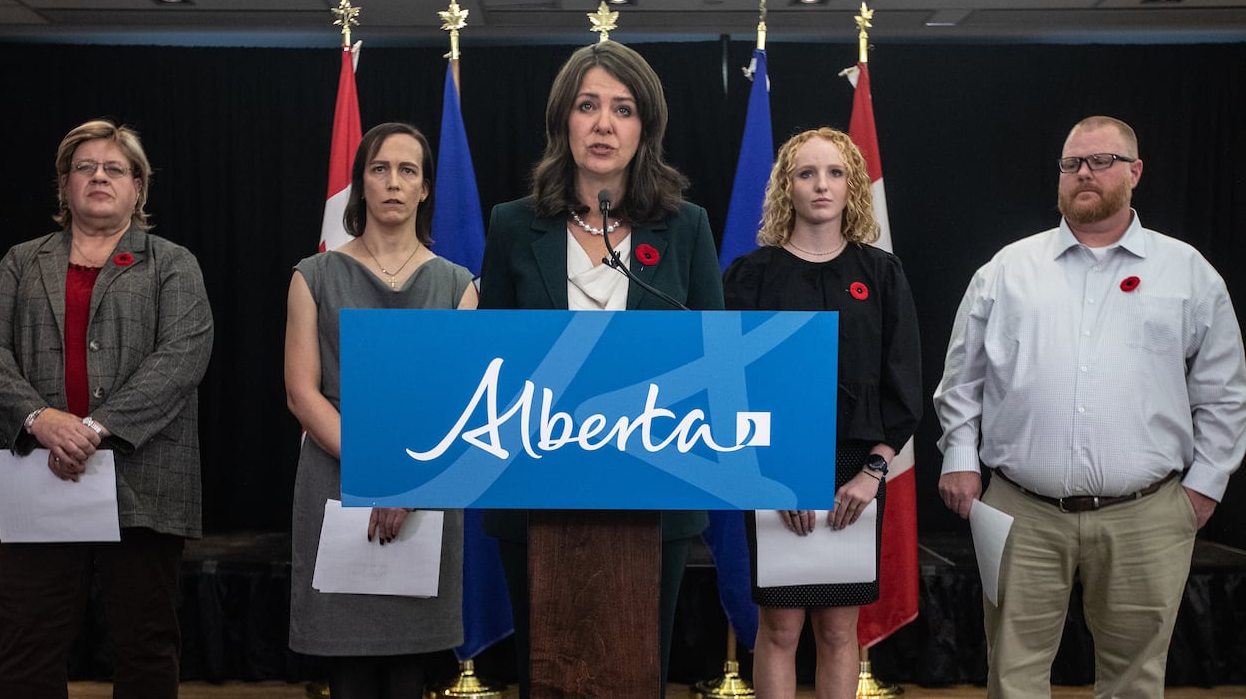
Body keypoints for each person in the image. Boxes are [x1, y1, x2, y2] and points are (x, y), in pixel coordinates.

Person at [934, 115, 1246, 698]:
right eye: (1072, 163)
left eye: (1101, 161)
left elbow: (1223, 390)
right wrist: (959, 455)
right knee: (1013, 673)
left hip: (1147, 514)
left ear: (1135, 171)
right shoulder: (1008, 270)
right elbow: (962, 379)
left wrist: (1205, 485)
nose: (1084, 173)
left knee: (1135, 679)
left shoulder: (1187, 273)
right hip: (1020, 509)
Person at [478, 40, 724, 696]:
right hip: (536, 494)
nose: (605, 124)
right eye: (588, 106)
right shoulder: (512, 227)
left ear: (646, 127)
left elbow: (716, 361)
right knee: (547, 675)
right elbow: (490, 366)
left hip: (656, 493)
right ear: (564, 120)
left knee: (640, 671)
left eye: (623, 108)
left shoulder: (687, 228)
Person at [0, 119, 214, 697]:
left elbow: (181, 358)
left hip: (142, 480)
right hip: (38, 475)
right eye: (85, 167)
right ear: (64, 185)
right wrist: (40, 419)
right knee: (26, 647)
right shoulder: (21, 262)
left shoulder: (172, 263)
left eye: (114, 168)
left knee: (146, 644)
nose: (99, 176)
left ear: (139, 188)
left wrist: (95, 430)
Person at [722, 127, 922, 699]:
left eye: (834, 173)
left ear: (852, 185)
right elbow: (729, 389)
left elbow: (902, 387)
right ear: (788, 186)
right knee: (780, 627)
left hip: (856, 474)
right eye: (807, 173)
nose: (821, 185)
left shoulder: (882, 274)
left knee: (839, 630)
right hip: (770, 470)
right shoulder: (750, 275)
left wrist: (872, 474)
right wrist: (769, 483)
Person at [284, 122, 478, 699]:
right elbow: (301, 393)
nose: (393, 182)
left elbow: (464, 402)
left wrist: (405, 481)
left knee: (408, 674)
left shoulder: (459, 285)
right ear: (360, 185)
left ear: (425, 190)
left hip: (427, 480)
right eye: (379, 169)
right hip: (336, 475)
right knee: (348, 675)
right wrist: (379, 472)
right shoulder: (312, 275)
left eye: (408, 170)